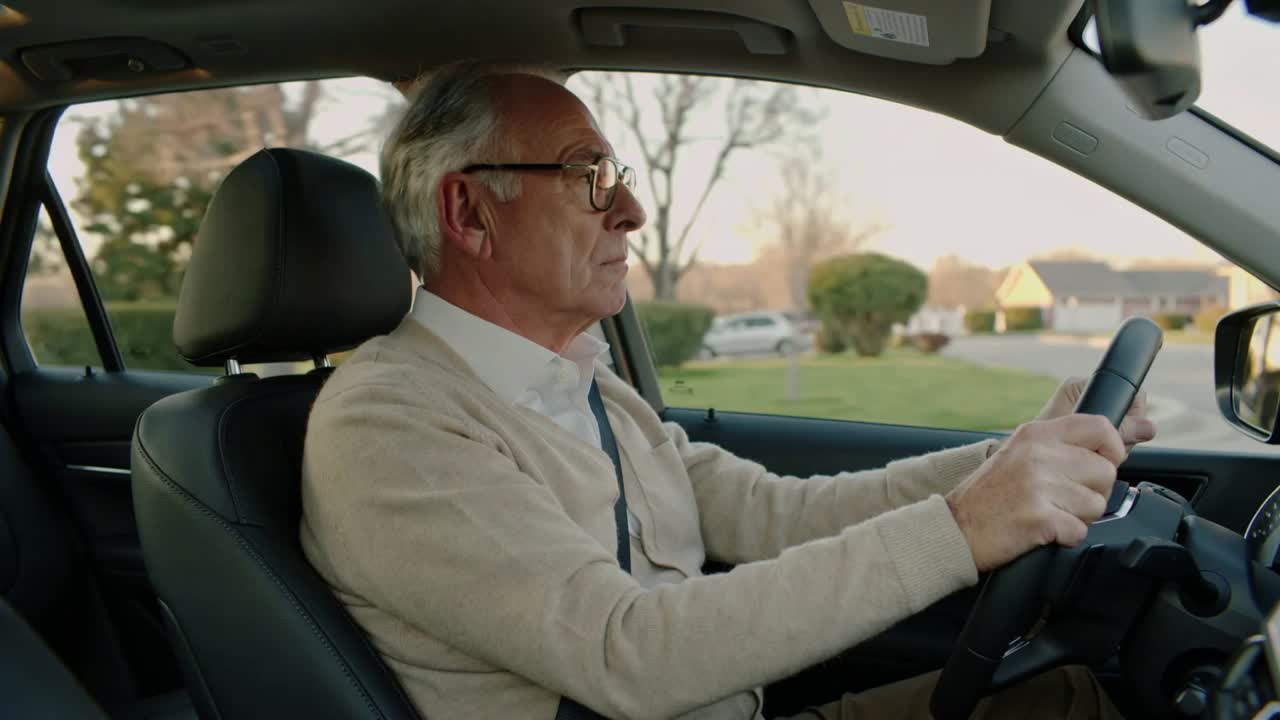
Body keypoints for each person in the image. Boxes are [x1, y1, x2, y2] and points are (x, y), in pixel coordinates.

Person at [299, 61, 1156, 720]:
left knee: (1064, 695)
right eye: (588, 174)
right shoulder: (389, 422)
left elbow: (778, 513)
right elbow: (626, 652)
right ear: (471, 215)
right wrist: (963, 529)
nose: (630, 208)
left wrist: (1016, 460)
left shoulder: (588, 384)